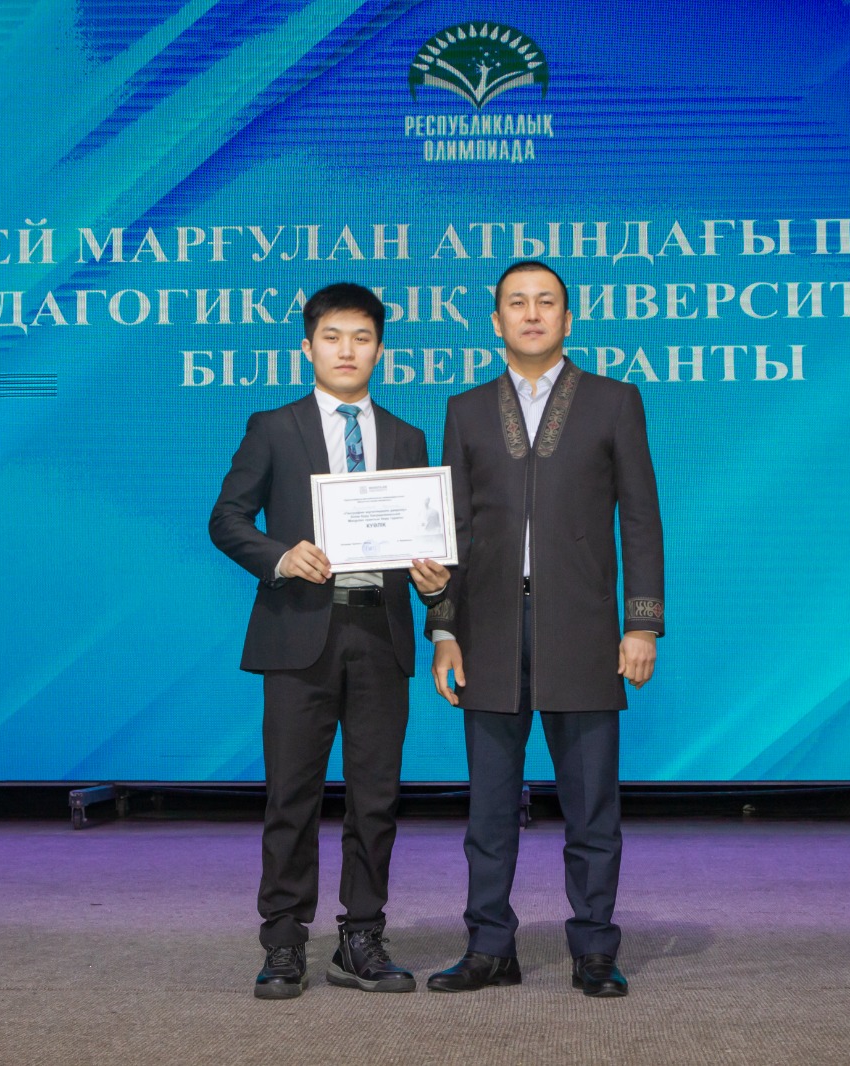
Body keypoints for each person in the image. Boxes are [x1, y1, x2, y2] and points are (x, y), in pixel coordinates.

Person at [424, 260, 664, 998]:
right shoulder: (466, 410)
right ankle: (489, 947)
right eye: (517, 303)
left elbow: (640, 517)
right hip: (488, 630)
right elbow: (452, 529)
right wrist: (443, 629)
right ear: (495, 320)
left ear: (568, 317)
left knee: (592, 805)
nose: (532, 314)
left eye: (547, 302)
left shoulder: (614, 401)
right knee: (489, 808)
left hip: (584, 630)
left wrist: (642, 624)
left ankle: (594, 948)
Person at [209, 282, 450, 999]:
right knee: (292, 794)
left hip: (380, 631)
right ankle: (284, 939)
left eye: (362, 338)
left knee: (376, 796)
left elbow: (426, 539)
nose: (348, 350)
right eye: (333, 337)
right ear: (307, 348)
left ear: (381, 350)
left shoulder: (406, 437)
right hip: (298, 634)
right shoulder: (273, 427)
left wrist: (433, 580)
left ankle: (362, 936)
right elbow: (227, 520)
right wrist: (281, 556)